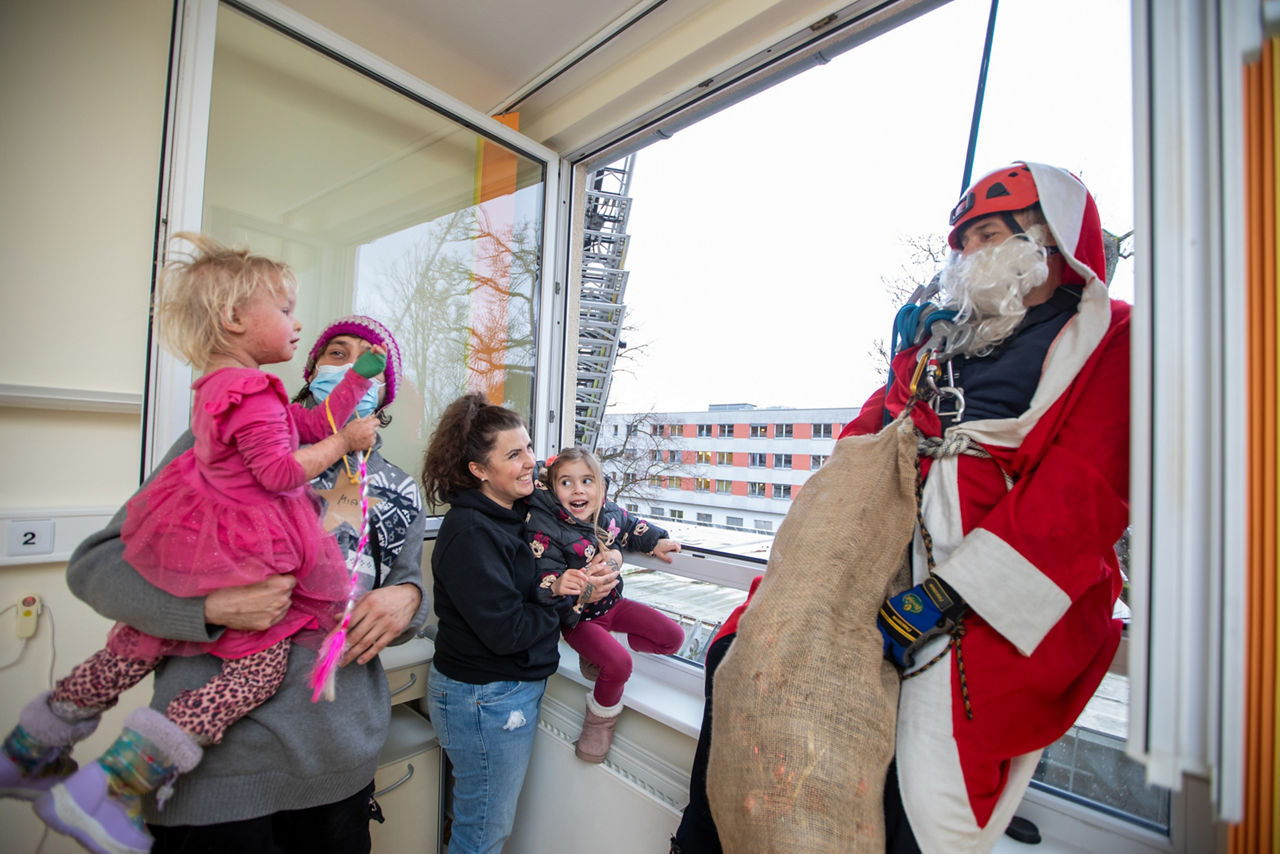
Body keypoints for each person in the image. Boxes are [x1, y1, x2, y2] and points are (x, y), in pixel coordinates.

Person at [673, 161, 1129, 854]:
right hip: (879, 547)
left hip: (986, 584)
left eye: (990, 235)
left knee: (918, 769)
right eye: (964, 240)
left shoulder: (1110, 338)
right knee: (739, 651)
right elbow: (865, 444)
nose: (969, 254)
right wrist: (905, 365)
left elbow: (1082, 498)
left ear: (1047, 242)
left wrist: (946, 596)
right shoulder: (945, 341)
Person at [0, 235, 391, 853]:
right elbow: (97, 567)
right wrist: (205, 611)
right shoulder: (230, 432)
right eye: (289, 313)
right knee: (219, 659)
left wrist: (406, 597)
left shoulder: (377, 476)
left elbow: (318, 430)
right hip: (225, 786)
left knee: (131, 649)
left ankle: (32, 747)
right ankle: (116, 782)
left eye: (366, 362)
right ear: (237, 321)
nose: (298, 323)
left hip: (333, 769)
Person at [421, 395, 619, 853]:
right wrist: (575, 596)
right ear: (479, 471)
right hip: (484, 698)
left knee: (477, 824)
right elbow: (507, 630)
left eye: (529, 447)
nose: (532, 462)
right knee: (482, 835)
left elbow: (585, 523)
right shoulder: (473, 532)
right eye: (514, 454)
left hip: (497, 693)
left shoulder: (519, 517)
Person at [525, 447, 684, 763]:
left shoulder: (609, 513)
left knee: (673, 638)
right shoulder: (544, 528)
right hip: (580, 619)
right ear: (555, 490)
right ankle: (598, 723)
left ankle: (600, 653)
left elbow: (632, 526)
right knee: (620, 664)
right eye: (567, 483)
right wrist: (558, 585)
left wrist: (656, 541)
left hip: (615, 605)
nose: (579, 490)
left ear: (600, 486)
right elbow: (541, 580)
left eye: (587, 481)